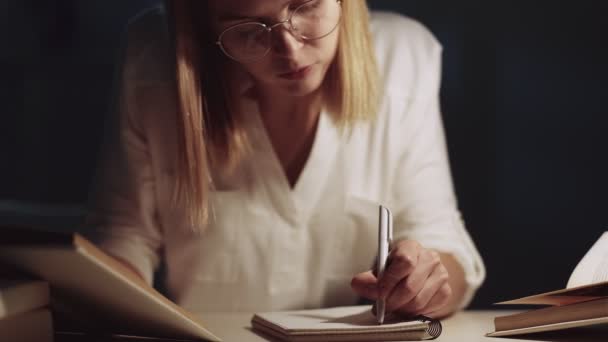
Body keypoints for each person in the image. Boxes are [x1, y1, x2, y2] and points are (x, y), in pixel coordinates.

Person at [87, 0, 485, 319]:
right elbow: (123, 237)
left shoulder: (403, 57)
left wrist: (424, 283)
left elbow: (442, 244)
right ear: (206, 27)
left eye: (307, 6)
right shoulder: (156, 62)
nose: (289, 50)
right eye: (246, 29)